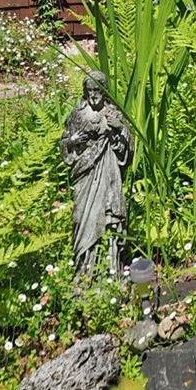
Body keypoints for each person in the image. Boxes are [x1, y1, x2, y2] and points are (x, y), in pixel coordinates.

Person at [60, 71, 132, 277]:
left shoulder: (113, 114)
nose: (93, 96)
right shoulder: (78, 115)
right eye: (89, 91)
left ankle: (110, 272)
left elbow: (128, 147)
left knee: (110, 215)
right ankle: (85, 270)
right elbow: (64, 144)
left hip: (108, 171)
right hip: (85, 174)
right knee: (83, 216)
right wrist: (74, 140)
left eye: (97, 91)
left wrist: (120, 130)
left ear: (104, 91)